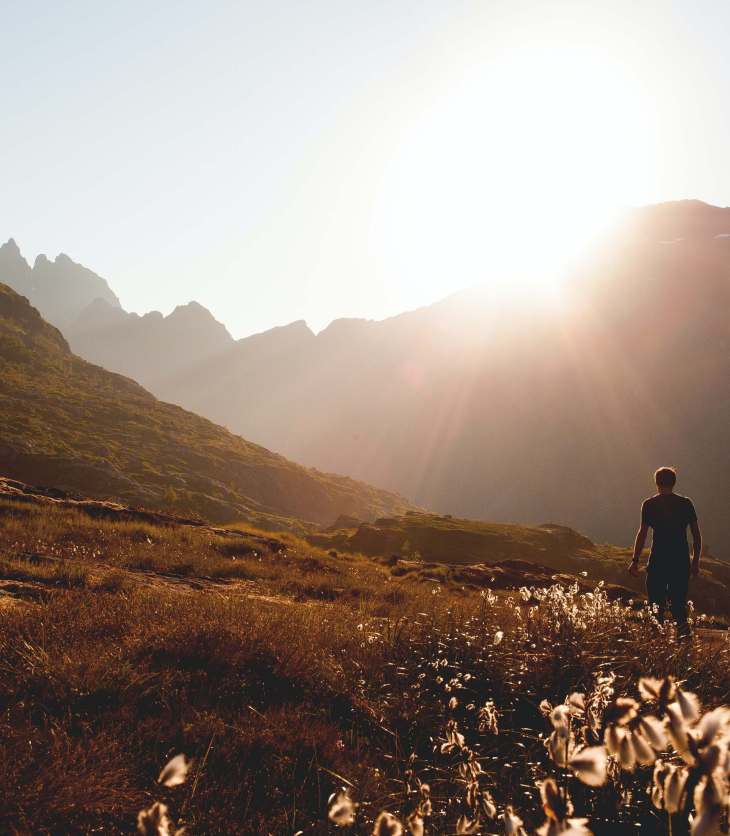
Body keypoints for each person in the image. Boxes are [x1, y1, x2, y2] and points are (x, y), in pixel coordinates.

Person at [627, 467, 701, 638]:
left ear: (656, 483)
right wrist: (695, 562)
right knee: (678, 607)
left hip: (658, 562)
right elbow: (696, 535)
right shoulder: (686, 503)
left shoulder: (649, 504)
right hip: (680, 562)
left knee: (655, 607)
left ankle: (656, 647)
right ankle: (685, 649)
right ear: (674, 482)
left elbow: (643, 533)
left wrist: (635, 560)